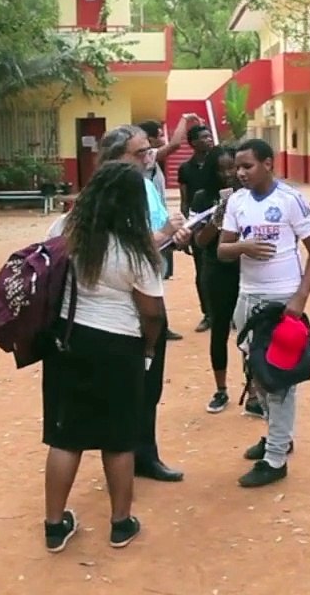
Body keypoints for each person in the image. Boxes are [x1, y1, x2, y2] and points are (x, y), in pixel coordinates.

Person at [47, 124, 192, 482]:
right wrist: (163, 235)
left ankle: (145, 454)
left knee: (146, 391)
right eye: (140, 152)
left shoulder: (144, 184)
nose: (149, 158)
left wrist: (173, 236)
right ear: (115, 158)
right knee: (121, 417)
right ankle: (128, 474)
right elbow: (128, 248)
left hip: (117, 307)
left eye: (149, 150)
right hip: (124, 317)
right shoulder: (110, 197)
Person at [40, 161, 164, 552]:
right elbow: (152, 312)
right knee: (119, 439)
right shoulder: (135, 248)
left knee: (66, 437)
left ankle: (55, 526)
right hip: (118, 346)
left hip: (67, 340)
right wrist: (148, 346)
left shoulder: (64, 230)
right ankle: (120, 524)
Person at [217, 138, 310, 488]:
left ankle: (275, 459)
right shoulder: (237, 201)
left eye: (247, 166)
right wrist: (243, 246)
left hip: (282, 302)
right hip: (248, 300)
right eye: (238, 167)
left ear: (268, 163)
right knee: (256, 374)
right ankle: (278, 435)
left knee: (279, 378)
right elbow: (222, 251)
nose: (240, 172)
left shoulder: (290, 200)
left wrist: (300, 298)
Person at [190, 145, 242, 414]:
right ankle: (221, 389)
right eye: (220, 169)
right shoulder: (202, 197)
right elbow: (199, 241)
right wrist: (218, 217)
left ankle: (253, 392)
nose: (227, 174)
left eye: (232, 167)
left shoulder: (249, 195)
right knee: (220, 329)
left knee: (249, 331)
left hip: (247, 270)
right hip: (216, 270)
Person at [139, 118, 190, 338]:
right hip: (153, 231)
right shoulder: (147, 157)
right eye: (159, 135)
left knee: (158, 278)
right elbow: (176, 145)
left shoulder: (150, 166)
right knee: (151, 278)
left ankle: (160, 324)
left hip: (161, 226)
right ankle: (155, 327)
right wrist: (185, 120)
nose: (163, 138)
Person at [178, 123, 216, 333]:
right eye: (203, 137)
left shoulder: (219, 163)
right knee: (202, 271)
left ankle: (228, 312)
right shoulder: (185, 169)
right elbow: (184, 201)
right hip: (198, 225)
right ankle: (208, 314)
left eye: (209, 136)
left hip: (221, 223)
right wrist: (186, 230)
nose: (209, 139)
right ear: (193, 143)